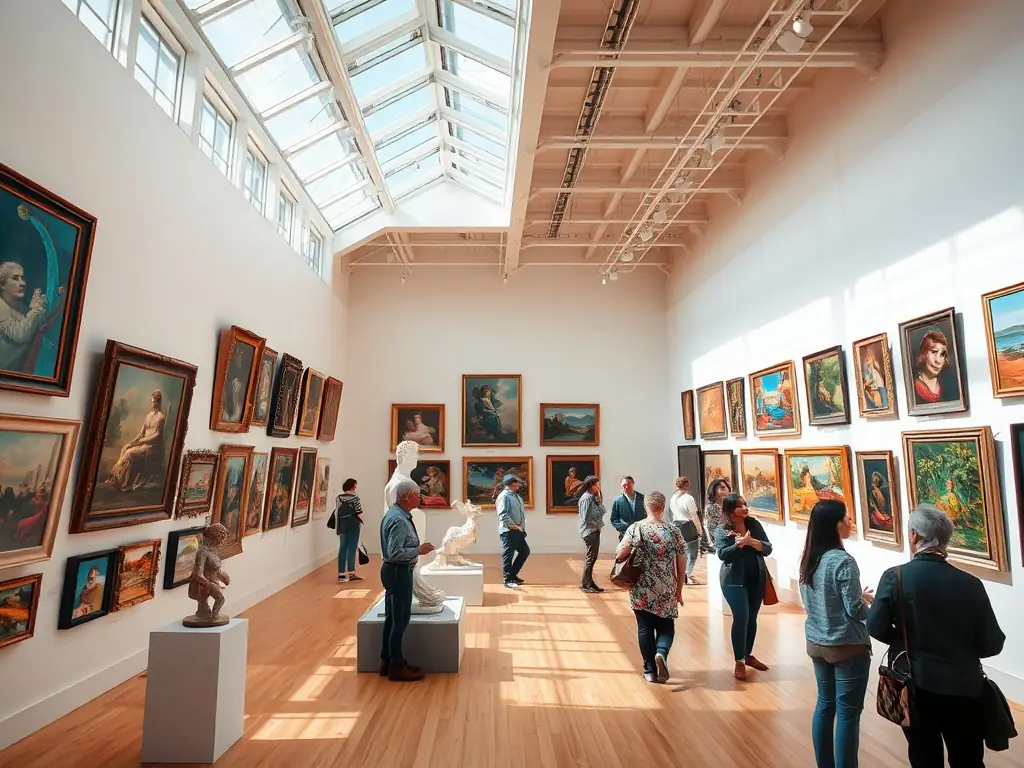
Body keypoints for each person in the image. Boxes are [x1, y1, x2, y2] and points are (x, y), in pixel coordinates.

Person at [867, 505, 1005, 767]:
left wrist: (905, 640)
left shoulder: (895, 577)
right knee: (968, 759)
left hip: (917, 685)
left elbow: (875, 627)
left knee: (924, 756)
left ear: (914, 536)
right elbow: (992, 643)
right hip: (965, 687)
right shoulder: (970, 583)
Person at [799, 501, 874, 768]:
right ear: (835, 525)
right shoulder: (843, 561)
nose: (850, 520)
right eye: (845, 517)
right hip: (846, 646)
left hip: (817, 642)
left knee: (824, 706)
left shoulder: (809, 558)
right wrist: (871, 604)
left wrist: (858, 597)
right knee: (848, 715)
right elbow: (854, 610)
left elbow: (819, 598)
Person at [615, 491, 686, 683]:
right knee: (666, 625)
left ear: (646, 507)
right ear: (662, 508)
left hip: (640, 585)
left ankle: (649, 671)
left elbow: (621, 553)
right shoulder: (673, 531)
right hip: (666, 585)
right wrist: (679, 586)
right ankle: (661, 653)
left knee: (644, 627)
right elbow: (681, 559)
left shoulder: (635, 529)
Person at [379, 479, 435, 682]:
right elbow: (395, 552)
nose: (419, 497)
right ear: (405, 497)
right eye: (417, 494)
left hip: (392, 571)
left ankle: (387, 660)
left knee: (392, 618)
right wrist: (418, 550)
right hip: (398, 571)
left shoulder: (395, 514)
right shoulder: (400, 520)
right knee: (400, 619)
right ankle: (397, 666)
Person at [714, 493, 772, 680]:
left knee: (752, 617)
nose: (745, 508)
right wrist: (739, 545)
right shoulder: (722, 530)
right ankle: (739, 660)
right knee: (742, 617)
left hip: (756, 577)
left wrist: (752, 542)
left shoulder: (754, 524)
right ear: (731, 510)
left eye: (745, 504)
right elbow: (723, 554)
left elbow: (768, 548)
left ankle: (748, 655)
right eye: (740, 506)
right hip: (733, 580)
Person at [496, 474, 530, 589]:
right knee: (508, 555)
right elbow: (503, 514)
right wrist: (513, 526)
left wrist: (521, 528)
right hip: (509, 531)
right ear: (510, 484)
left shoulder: (516, 496)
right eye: (517, 482)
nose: (519, 484)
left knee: (525, 551)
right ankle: (507, 580)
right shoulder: (504, 496)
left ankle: (513, 575)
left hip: (518, 530)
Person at [669, 476, 703, 585]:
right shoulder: (688, 498)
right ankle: (687, 573)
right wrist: (699, 529)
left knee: (680, 552)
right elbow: (694, 516)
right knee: (692, 551)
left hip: (676, 525)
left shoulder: (673, 497)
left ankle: (679, 574)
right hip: (687, 525)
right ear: (687, 485)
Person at [577, 475, 606, 593]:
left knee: (592, 557)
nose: (599, 487)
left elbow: (602, 510)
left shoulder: (593, 498)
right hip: (589, 532)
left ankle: (587, 582)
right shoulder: (586, 498)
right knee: (591, 557)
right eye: (597, 484)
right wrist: (595, 526)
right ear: (591, 485)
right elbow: (585, 517)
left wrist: (599, 497)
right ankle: (587, 584)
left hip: (595, 531)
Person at [335, 478, 363, 582]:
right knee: (352, 548)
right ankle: (351, 573)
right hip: (353, 523)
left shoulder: (339, 498)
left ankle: (341, 574)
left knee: (342, 547)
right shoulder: (355, 497)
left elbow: (338, 511)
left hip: (342, 524)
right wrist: (361, 522)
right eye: (355, 485)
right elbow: (359, 511)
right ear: (353, 486)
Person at [610, 476, 645, 540]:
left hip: (641, 534)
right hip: (625, 535)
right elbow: (614, 519)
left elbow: (648, 514)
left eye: (628, 484)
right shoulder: (618, 501)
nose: (626, 487)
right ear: (621, 486)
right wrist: (623, 527)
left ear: (633, 484)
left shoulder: (642, 498)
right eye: (624, 485)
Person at [703, 477, 731, 550]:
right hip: (722, 545)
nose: (726, 489)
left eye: (725, 487)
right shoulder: (712, 507)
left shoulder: (730, 505)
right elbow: (713, 529)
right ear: (714, 490)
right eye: (722, 487)